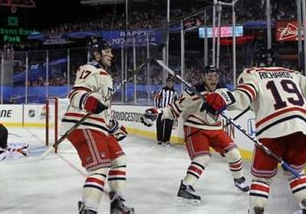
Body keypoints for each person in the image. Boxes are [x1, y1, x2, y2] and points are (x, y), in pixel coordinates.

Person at [202, 48, 306, 214]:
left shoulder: (251, 73)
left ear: (255, 62)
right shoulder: (292, 74)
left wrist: (222, 99)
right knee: (296, 172)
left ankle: (256, 211)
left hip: (272, 132)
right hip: (301, 129)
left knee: (262, 178)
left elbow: (243, 96)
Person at [141, 65, 249, 204]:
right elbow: (173, 109)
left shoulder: (223, 89)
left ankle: (239, 179)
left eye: (215, 76)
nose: (213, 79)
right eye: (209, 76)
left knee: (234, 154)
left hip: (215, 128)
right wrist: (158, 113)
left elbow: (234, 103)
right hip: (195, 129)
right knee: (203, 158)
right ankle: (185, 186)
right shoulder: (192, 92)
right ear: (203, 77)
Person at [61, 38, 134, 214]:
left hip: (97, 126)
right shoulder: (90, 69)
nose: (111, 54)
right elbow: (76, 93)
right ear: (96, 54)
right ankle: (89, 209)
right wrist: (89, 102)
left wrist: (115, 128)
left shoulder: (105, 75)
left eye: (111, 51)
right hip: (84, 126)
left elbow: (103, 112)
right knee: (99, 167)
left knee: (119, 159)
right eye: (107, 51)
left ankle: (117, 204)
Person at [153, 76, 178, 146]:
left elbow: (176, 102)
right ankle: (159, 140)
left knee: (169, 126)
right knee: (160, 125)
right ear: (166, 83)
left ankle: (167, 140)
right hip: (162, 110)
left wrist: (175, 111)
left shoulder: (175, 93)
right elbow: (156, 98)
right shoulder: (162, 90)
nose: (170, 83)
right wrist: (157, 108)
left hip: (170, 111)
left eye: (171, 82)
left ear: (173, 83)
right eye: (168, 82)